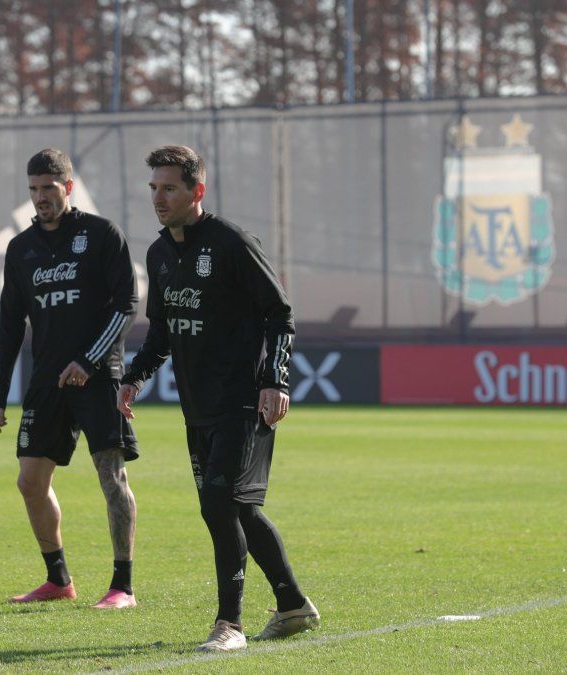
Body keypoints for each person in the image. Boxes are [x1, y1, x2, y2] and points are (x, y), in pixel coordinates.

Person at [118, 145, 319, 651]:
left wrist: (275, 380)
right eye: (154, 188)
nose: (158, 198)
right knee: (237, 509)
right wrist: (134, 377)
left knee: (218, 503)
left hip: (244, 401)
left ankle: (229, 624)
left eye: (169, 188)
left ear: (197, 191)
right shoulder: (159, 254)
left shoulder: (232, 243)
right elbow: (161, 331)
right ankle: (293, 605)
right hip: (198, 406)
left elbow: (280, 313)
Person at [0, 148, 139, 610]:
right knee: (29, 482)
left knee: (111, 478)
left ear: (67, 187)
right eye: (33, 189)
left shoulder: (101, 234)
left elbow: (126, 306)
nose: (41, 198)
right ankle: (58, 579)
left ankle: (122, 587)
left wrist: (89, 361)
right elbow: (10, 325)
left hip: (99, 377)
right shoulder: (21, 249)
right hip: (47, 381)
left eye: (49, 188)